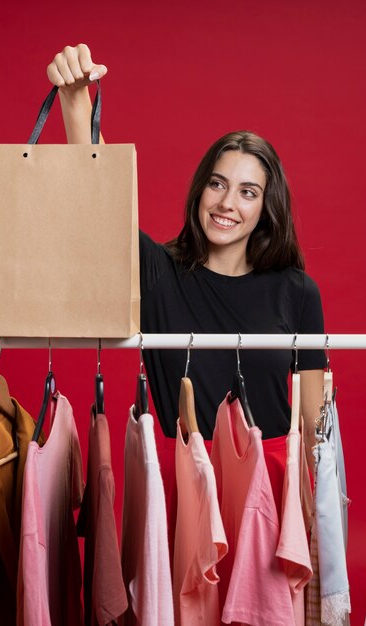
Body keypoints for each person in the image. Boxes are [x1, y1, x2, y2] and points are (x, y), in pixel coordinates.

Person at [46, 43, 326, 471]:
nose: (227, 202)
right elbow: (103, 198)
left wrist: (313, 516)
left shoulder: (298, 291)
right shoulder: (160, 274)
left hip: (274, 485)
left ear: (267, 208)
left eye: (247, 192)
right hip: (188, 478)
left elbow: (313, 425)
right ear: (200, 190)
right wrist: (75, 98)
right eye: (217, 184)